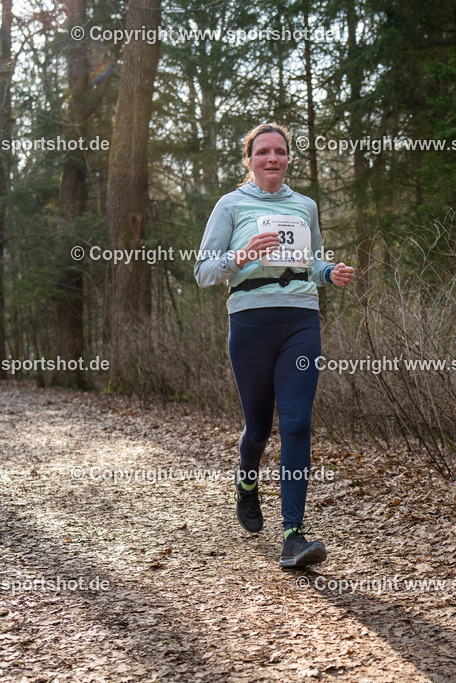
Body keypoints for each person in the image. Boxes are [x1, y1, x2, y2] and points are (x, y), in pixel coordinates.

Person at [194, 123, 355, 568]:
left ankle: (293, 534)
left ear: (288, 158)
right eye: (262, 151)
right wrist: (242, 255)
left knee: (298, 423)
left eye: (279, 151)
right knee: (259, 429)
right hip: (250, 324)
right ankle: (247, 484)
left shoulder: (305, 206)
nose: (271, 158)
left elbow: (312, 260)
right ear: (248, 160)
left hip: (301, 320)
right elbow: (204, 271)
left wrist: (330, 273)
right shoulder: (230, 205)